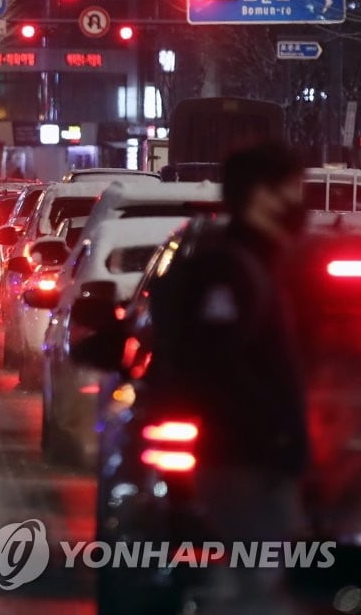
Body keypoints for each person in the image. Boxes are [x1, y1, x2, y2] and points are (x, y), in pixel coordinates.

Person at [148, 142, 309, 614]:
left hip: (258, 459)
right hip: (244, 462)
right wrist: (276, 434)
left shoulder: (261, 263)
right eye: (292, 191)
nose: (300, 204)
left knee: (257, 581)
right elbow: (217, 367)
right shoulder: (228, 269)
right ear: (262, 196)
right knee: (256, 586)